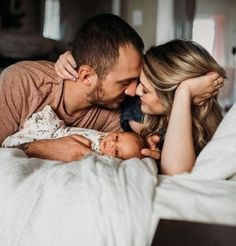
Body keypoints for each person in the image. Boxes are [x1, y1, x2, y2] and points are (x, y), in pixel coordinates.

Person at [55, 39, 225, 174]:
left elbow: (177, 174)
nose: (135, 91)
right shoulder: (136, 110)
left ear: (172, 99)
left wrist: (184, 93)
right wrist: (72, 60)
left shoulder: (217, 131)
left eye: (145, 89)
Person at [0, 13, 148, 162]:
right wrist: (42, 149)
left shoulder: (116, 113)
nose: (134, 91)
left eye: (136, 80)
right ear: (86, 76)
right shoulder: (23, 82)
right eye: (124, 82)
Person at [2, 105, 145, 160]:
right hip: (54, 132)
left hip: (54, 143)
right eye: (118, 137)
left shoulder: (99, 156)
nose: (113, 143)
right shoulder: (104, 133)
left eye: (117, 152)